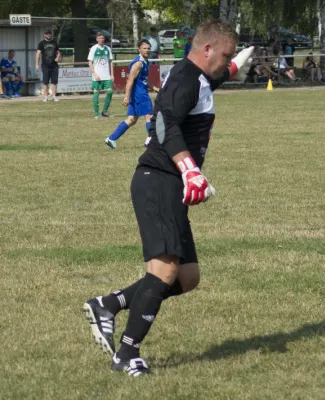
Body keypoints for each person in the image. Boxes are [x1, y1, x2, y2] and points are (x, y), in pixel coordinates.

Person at [83, 21, 253, 377]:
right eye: (223, 55)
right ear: (206, 50)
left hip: (170, 182)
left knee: (187, 276)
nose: (224, 61)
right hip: (159, 178)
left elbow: (208, 84)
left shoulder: (199, 76)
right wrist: (189, 168)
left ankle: (108, 305)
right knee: (163, 269)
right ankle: (127, 353)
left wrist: (233, 67)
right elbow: (165, 121)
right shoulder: (187, 78)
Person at [105, 39, 159, 149]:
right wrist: (126, 97)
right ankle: (150, 140)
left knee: (132, 120)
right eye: (144, 48)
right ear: (139, 49)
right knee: (150, 115)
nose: (147, 50)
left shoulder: (145, 62)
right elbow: (130, 80)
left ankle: (111, 138)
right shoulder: (138, 63)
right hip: (139, 94)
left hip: (138, 93)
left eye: (148, 48)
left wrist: (154, 87)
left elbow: (143, 80)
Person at [88, 32, 114, 118]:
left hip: (106, 75)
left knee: (110, 91)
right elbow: (90, 62)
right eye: (99, 38)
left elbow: (110, 62)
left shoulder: (107, 49)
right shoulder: (93, 48)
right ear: (96, 39)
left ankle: (105, 111)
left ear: (104, 39)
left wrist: (112, 74)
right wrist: (95, 74)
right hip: (97, 75)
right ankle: (96, 113)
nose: (101, 40)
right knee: (96, 93)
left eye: (102, 38)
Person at [36, 29, 61, 102]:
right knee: (45, 81)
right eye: (47, 34)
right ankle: (45, 97)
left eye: (49, 34)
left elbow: (58, 52)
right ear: (44, 35)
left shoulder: (54, 43)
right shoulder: (41, 43)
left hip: (54, 65)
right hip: (45, 65)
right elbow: (38, 54)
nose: (48, 35)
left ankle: (54, 96)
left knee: (54, 82)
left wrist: (57, 57)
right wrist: (36, 64)